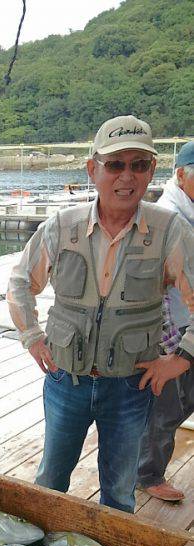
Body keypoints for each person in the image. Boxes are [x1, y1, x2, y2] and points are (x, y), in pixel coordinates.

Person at [7, 115, 194, 514]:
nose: (127, 176)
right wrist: (32, 337)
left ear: (151, 171)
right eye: (115, 164)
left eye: (139, 164)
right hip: (64, 380)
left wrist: (180, 359)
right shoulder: (62, 226)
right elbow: (21, 283)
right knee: (50, 480)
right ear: (93, 169)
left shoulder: (170, 230)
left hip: (130, 387)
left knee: (119, 491)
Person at [137, 140, 194, 501]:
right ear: (180, 174)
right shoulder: (170, 216)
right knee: (166, 407)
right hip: (171, 330)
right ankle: (147, 474)